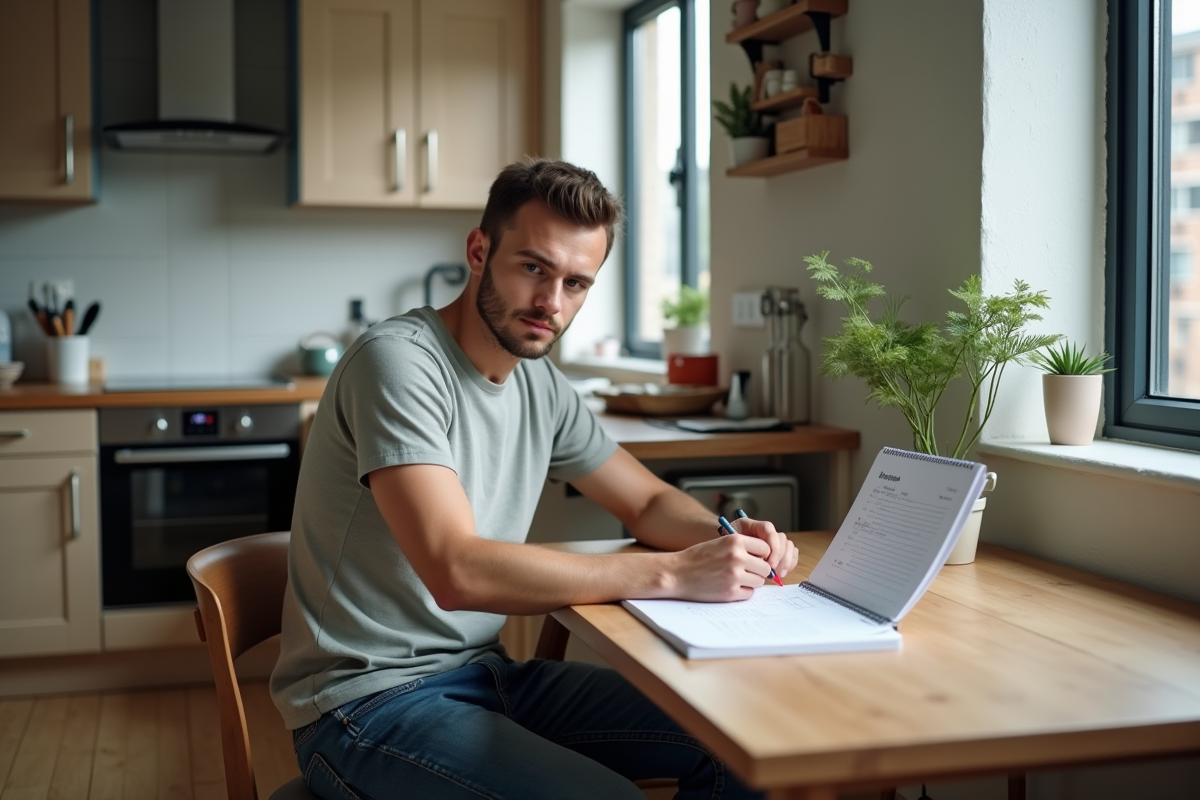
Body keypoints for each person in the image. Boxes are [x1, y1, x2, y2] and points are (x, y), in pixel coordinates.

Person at [271, 158, 799, 800]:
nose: (551, 302)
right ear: (478, 250)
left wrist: (725, 536)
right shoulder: (398, 364)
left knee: (739, 739)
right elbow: (455, 571)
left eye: (576, 283)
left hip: (487, 678)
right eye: (533, 269)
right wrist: (675, 573)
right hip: (364, 705)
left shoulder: (540, 383)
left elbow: (648, 501)